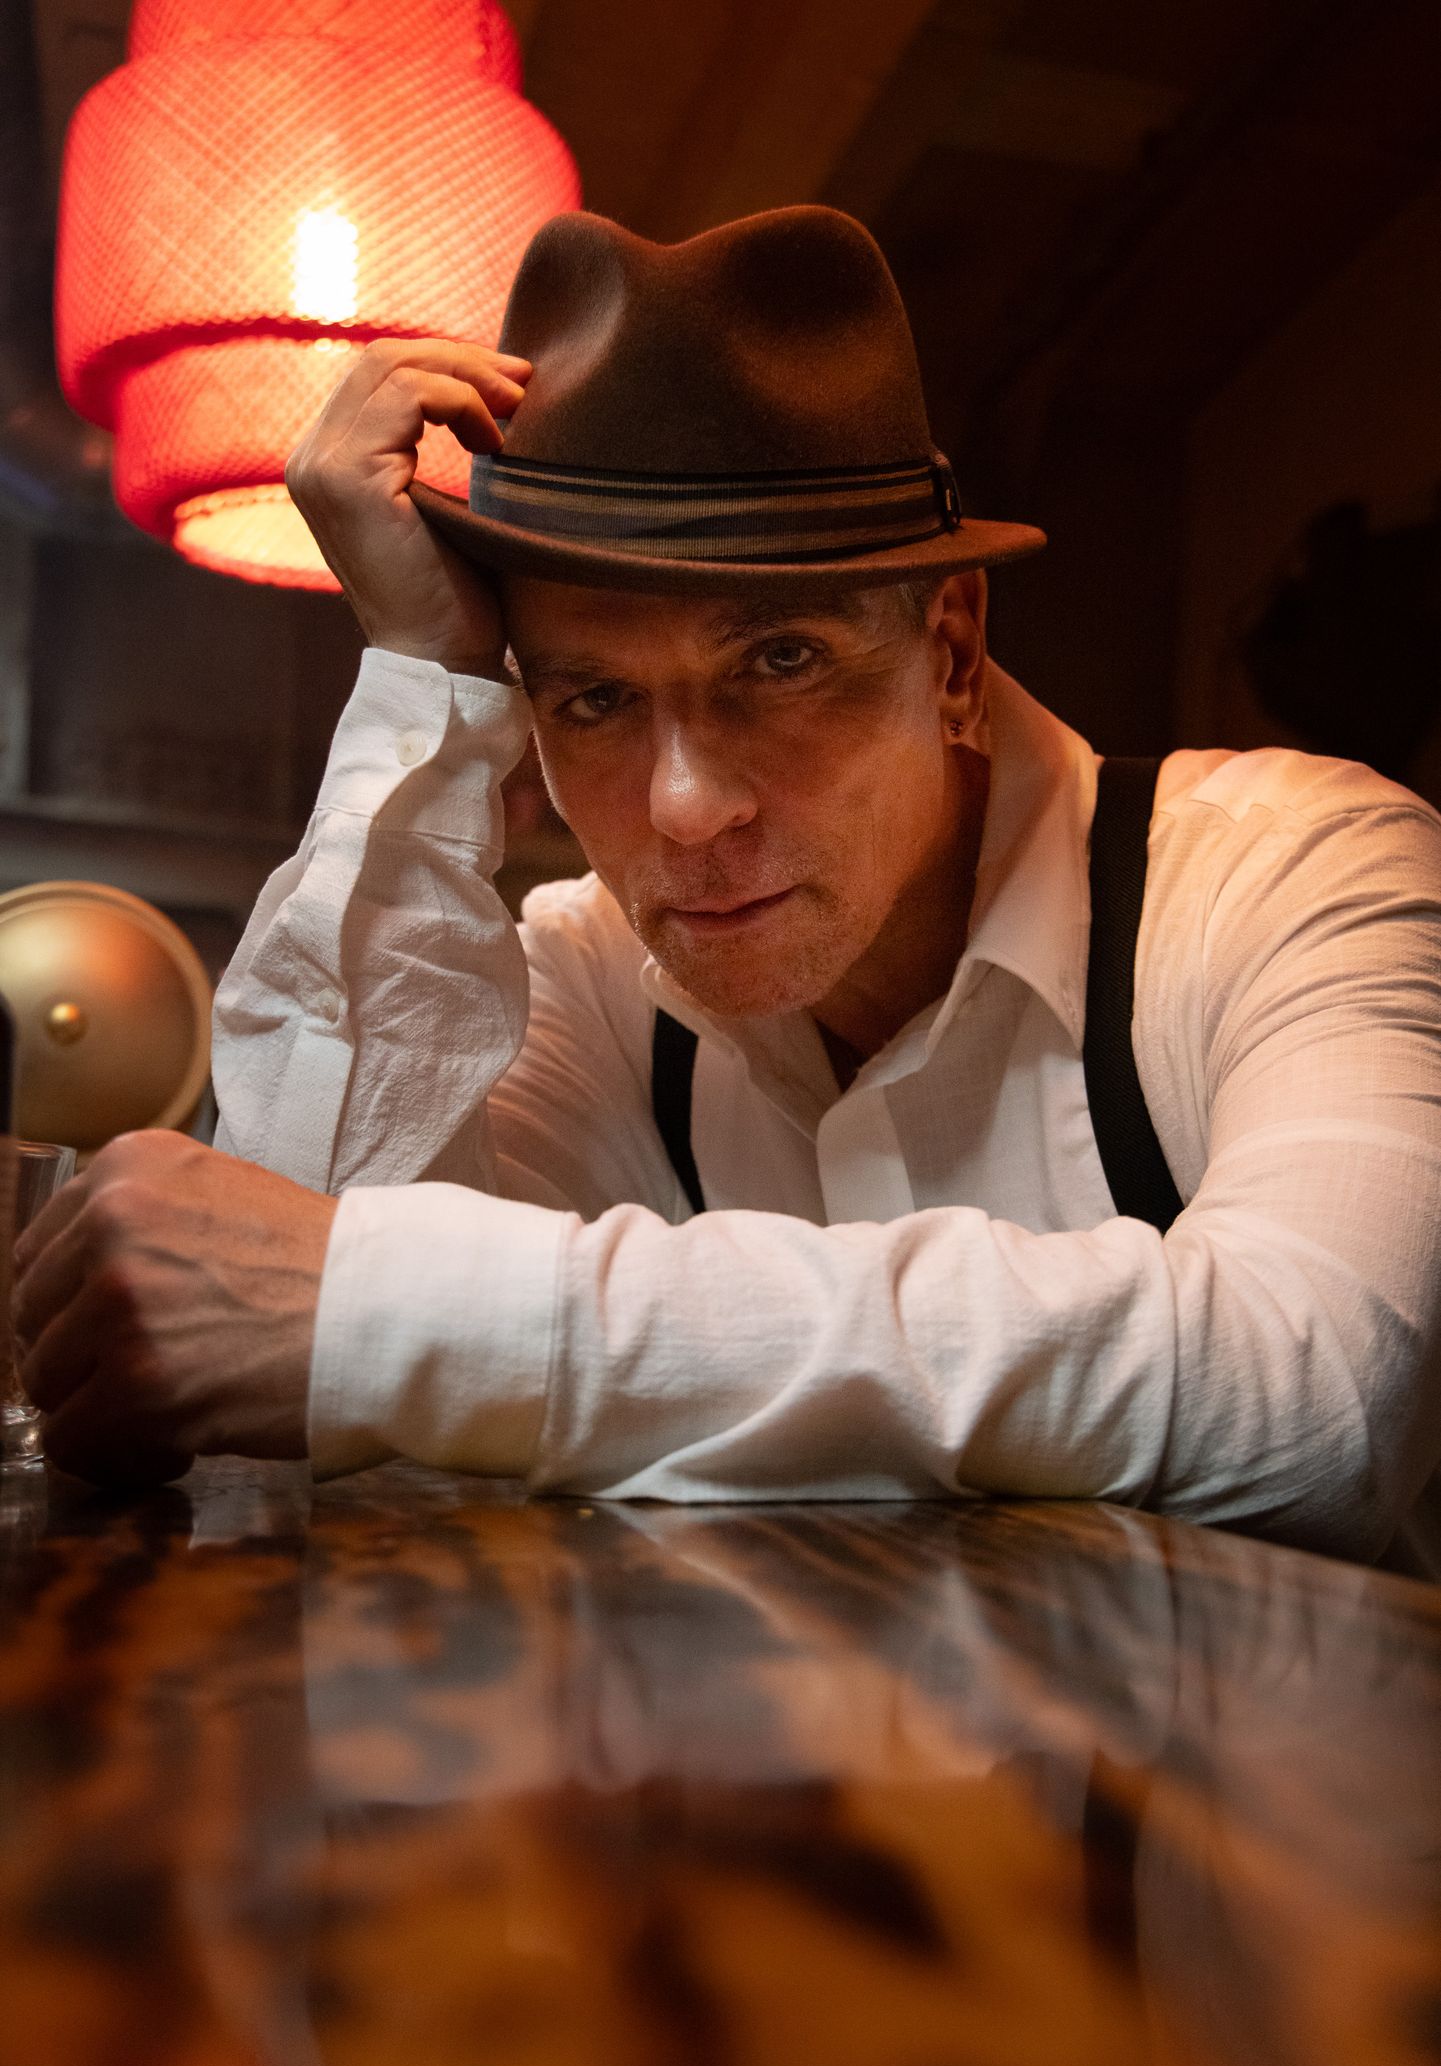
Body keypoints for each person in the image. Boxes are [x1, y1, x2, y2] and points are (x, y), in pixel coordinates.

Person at [13, 207, 1441, 1573]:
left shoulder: (1300, 875)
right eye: (593, 698)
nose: (685, 808)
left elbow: (1313, 1398)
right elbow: (277, 1338)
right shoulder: (585, 983)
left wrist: (414, 1320)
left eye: (780, 662)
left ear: (949, 653)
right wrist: (421, 677)